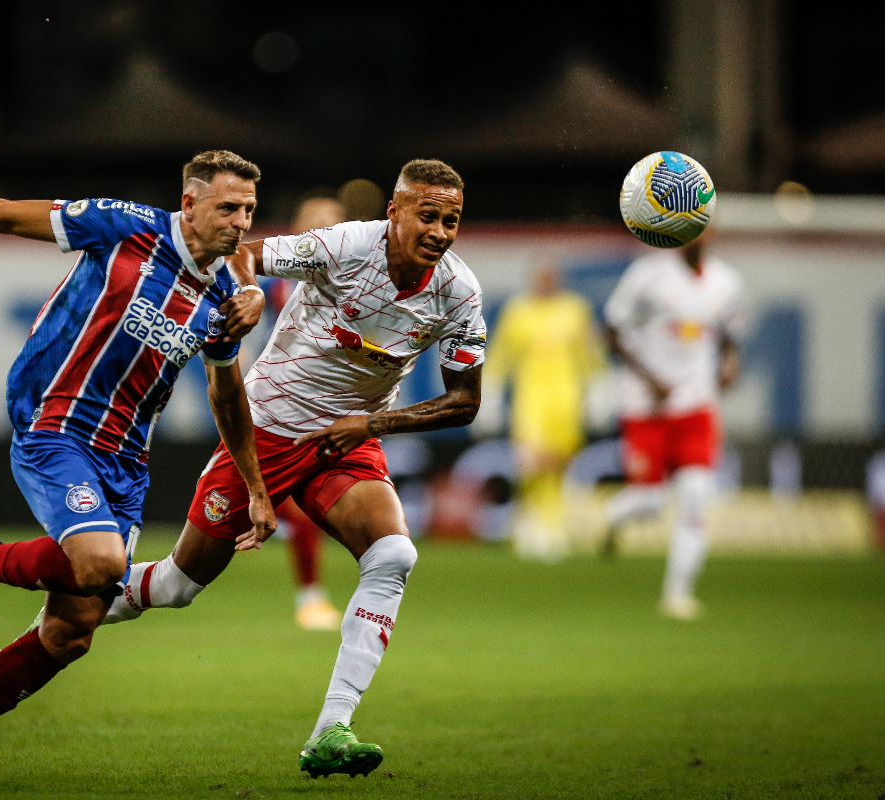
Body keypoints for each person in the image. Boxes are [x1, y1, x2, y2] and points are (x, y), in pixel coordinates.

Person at [0, 150, 277, 787]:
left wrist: (255, 484)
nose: (239, 221)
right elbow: (6, 215)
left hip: (126, 460)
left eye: (249, 209)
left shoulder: (225, 297)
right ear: (190, 203)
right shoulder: (125, 226)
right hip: (55, 424)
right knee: (102, 564)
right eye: (227, 207)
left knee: (71, 632)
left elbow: (227, 395)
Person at [90, 159, 485, 777]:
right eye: (427, 216)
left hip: (344, 439)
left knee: (394, 557)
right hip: (269, 427)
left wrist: (371, 423)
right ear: (395, 214)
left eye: (451, 220)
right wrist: (246, 294)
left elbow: (466, 402)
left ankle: (333, 730)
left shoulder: (459, 292)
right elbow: (247, 253)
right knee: (177, 586)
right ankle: (69, 602)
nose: (438, 231)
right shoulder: (347, 245)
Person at [601, 231, 744, 620]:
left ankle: (678, 593)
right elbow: (613, 329)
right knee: (650, 503)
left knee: (697, 496)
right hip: (646, 406)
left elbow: (729, 334)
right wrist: (650, 380)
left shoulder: (726, 282)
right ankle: (614, 515)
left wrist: (729, 364)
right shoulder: (647, 276)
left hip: (697, 403)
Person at [483, 261, 603, 560]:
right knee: (531, 461)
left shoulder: (575, 310)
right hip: (530, 401)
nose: (546, 281)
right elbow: (501, 356)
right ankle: (532, 523)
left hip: (566, 400)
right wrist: (492, 394)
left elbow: (591, 353)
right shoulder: (518, 312)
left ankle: (554, 526)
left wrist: (600, 389)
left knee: (559, 465)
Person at [276, 193, 347, 630]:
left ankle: (315, 597)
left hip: (330, 408)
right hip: (275, 407)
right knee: (291, 507)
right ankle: (311, 596)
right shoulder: (275, 280)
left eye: (333, 223)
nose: (323, 230)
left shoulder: (360, 277)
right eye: (314, 223)